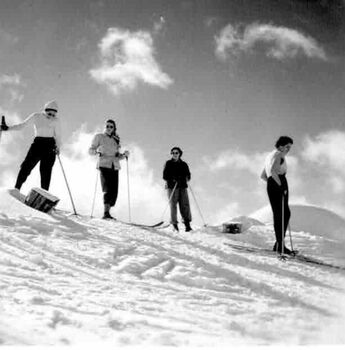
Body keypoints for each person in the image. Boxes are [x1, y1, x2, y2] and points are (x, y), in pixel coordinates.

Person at [0, 100, 61, 191]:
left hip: (50, 146)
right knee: (26, 166)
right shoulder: (36, 116)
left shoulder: (56, 121)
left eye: (53, 115)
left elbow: (59, 136)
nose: (51, 116)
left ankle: (44, 194)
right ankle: (17, 188)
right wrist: (8, 128)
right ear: (45, 111)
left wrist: (58, 148)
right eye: (49, 114)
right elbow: (22, 125)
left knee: (46, 172)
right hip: (38, 144)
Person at [89, 119, 129, 219]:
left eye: (111, 126)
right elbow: (91, 150)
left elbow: (117, 155)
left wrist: (124, 155)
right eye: (107, 126)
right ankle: (105, 213)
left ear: (114, 128)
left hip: (114, 166)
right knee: (107, 188)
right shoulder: (99, 136)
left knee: (114, 192)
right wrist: (97, 153)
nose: (109, 128)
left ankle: (108, 212)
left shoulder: (116, 139)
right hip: (104, 164)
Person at [261, 136, 294, 255]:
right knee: (284, 213)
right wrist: (280, 186)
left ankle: (279, 244)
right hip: (279, 182)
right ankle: (280, 245)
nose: (288, 149)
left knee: (279, 214)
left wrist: (272, 184)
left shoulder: (269, 156)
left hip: (271, 183)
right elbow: (275, 171)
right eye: (287, 147)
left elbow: (264, 175)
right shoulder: (279, 155)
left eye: (290, 147)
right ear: (280, 146)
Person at [163, 146, 192, 232]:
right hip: (172, 186)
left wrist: (186, 178)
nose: (174, 154)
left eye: (176, 153)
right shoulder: (168, 163)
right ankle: (174, 224)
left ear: (180, 154)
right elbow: (165, 176)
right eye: (173, 153)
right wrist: (173, 178)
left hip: (182, 186)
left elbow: (188, 175)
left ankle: (187, 224)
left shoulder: (184, 164)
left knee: (185, 205)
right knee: (173, 205)